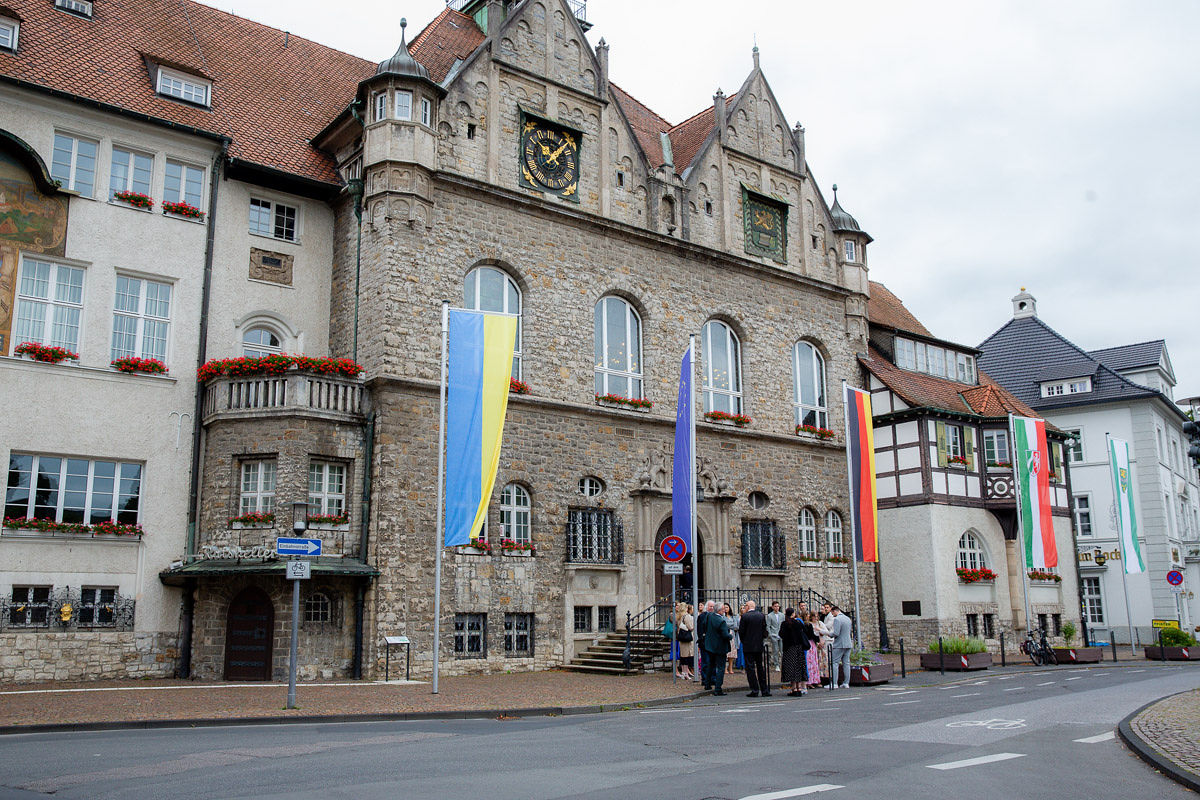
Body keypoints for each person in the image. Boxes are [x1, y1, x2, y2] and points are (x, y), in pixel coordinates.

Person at [739, 600, 770, 697]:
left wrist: (744, 641)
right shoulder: (761, 616)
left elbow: (741, 631)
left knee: (750, 668)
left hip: (748, 645)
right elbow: (764, 630)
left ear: (748, 606)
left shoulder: (745, 617)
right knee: (760, 667)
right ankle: (764, 689)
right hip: (758, 645)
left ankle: (754, 689)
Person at [701, 601, 732, 695]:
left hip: (710, 646)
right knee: (721, 667)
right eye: (723, 609)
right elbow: (725, 635)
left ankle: (707, 684)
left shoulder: (709, 616)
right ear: (719, 611)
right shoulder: (721, 621)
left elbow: (704, 625)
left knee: (710, 665)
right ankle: (718, 689)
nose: (724, 611)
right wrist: (730, 635)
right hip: (720, 648)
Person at [779, 607, 811, 696]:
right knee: (798, 667)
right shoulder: (798, 623)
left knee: (791, 668)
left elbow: (781, 634)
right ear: (793, 614)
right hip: (798, 648)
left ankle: (793, 688)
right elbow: (805, 631)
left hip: (789, 648)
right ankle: (799, 687)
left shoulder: (784, 624)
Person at [828, 605, 853, 689]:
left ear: (835, 611)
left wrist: (828, 634)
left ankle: (834, 683)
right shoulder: (847, 618)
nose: (832, 615)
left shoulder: (837, 619)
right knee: (846, 663)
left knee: (835, 663)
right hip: (848, 643)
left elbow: (836, 633)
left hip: (839, 644)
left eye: (832, 613)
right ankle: (846, 682)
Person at [696, 600, 716, 689]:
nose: (712, 608)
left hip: (713, 643)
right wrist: (702, 640)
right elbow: (699, 630)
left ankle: (713, 678)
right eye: (710, 606)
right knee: (705, 662)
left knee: (713, 662)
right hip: (705, 643)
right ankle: (705, 679)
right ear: (706, 607)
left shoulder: (715, 616)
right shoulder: (702, 616)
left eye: (713, 607)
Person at [674, 601, 695, 680]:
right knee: (687, 656)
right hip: (687, 638)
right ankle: (686, 673)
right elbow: (690, 627)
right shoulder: (686, 616)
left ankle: (684, 672)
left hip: (682, 637)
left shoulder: (679, 616)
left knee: (683, 656)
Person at [805, 611, 824, 689]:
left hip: (811, 643)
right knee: (811, 662)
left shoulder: (817, 624)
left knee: (813, 662)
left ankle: (814, 680)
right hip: (810, 643)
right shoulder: (808, 625)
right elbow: (811, 635)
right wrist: (818, 640)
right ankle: (810, 680)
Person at [766, 601, 784, 673]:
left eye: (778, 606)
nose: (777, 608)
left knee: (782, 650)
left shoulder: (782, 615)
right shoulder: (770, 616)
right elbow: (768, 626)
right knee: (775, 650)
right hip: (774, 635)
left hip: (781, 635)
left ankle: (783, 664)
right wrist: (770, 634)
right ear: (773, 607)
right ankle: (776, 664)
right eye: (775, 606)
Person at [723, 603, 739, 675]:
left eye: (727, 607)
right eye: (724, 607)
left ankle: (730, 668)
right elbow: (724, 625)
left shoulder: (733, 617)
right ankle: (725, 668)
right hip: (725, 635)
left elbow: (736, 626)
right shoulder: (723, 617)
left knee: (732, 653)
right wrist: (730, 625)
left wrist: (729, 625)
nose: (726, 609)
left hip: (732, 636)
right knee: (725, 653)